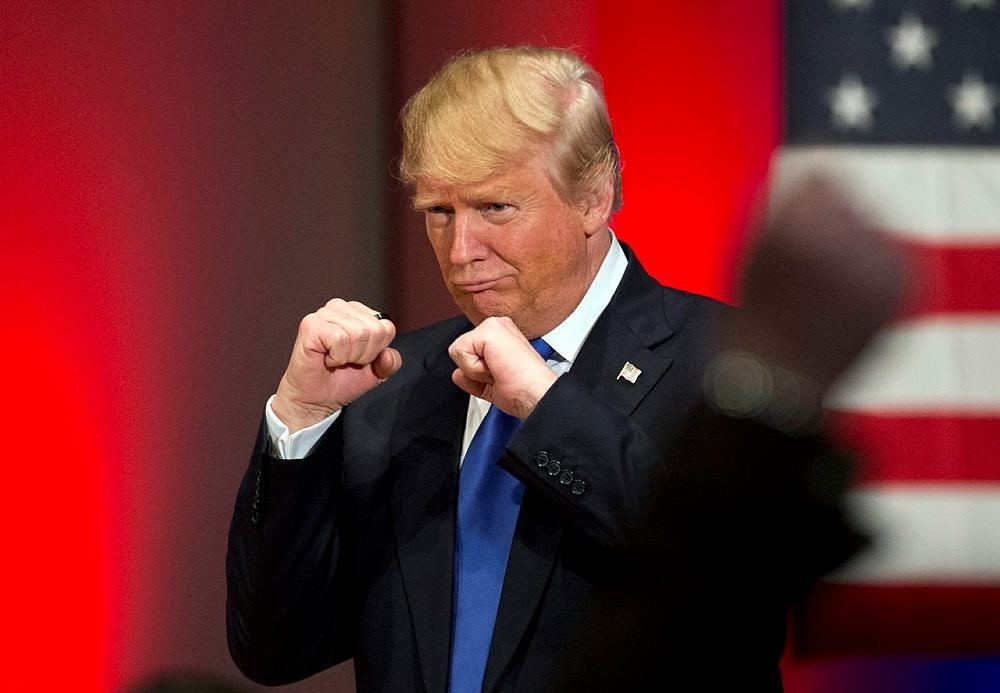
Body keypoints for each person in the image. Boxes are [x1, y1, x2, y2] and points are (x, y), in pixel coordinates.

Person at [227, 47, 881, 692]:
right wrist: (302, 417)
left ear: (594, 197)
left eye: (495, 207)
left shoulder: (726, 362)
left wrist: (548, 406)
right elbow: (274, 649)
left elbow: (736, 589)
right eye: (439, 212)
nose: (461, 250)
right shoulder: (395, 384)